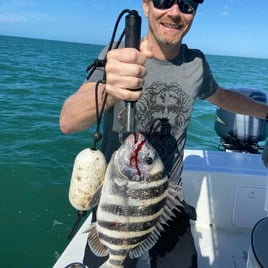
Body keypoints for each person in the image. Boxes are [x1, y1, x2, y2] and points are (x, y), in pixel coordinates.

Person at [60, 0, 268, 267]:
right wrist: (109, 90)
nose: (174, 12)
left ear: (194, 14)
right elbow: (68, 121)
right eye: (162, 1)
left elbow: (223, 97)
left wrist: (266, 113)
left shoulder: (196, 64)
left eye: (187, 4)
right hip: (119, 200)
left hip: (167, 201)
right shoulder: (117, 56)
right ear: (146, 6)